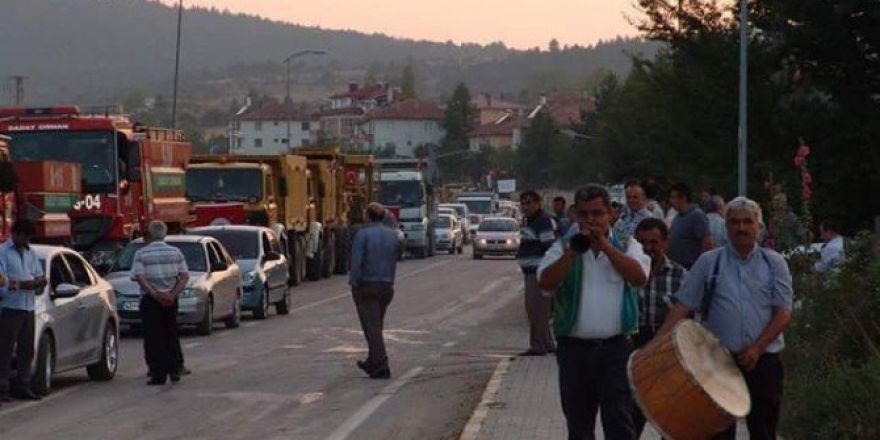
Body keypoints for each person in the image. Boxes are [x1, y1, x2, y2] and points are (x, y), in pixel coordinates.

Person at [650, 196, 793, 440]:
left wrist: (757, 349)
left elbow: (783, 312)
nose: (741, 228)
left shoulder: (774, 263)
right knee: (716, 432)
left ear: (758, 226)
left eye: (748, 222)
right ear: (726, 227)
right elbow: (682, 307)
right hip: (718, 362)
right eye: (734, 222)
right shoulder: (709, 262)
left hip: (763, 361)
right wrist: (655, 347)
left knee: (764, 429)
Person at [538, 185, 650, 440]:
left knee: (620, 424)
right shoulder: (565, 246)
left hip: (615, 351)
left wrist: (607, 248)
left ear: (610, 213)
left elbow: (639, 277)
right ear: (576, 215)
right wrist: (572, 253)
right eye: (585, 214)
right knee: (579, 426)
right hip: (574, 352)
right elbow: (545, 283)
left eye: (597, 213)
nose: (591, 220)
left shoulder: (627, 244)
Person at [630, 217, 687, 438]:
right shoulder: (627, 272)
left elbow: (691, 319)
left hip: (667, 358)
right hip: (634, 356)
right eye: (642, 242)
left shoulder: (681, 276)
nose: (648, 248)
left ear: (665, 242)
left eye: (654, 242)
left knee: (670, 425)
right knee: (629, 424)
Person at [132, 220, 190, 386]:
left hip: (150, 300)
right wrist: (172, 294)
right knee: (171, 332)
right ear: (164, 234)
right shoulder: (175, 252)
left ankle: (158, 373)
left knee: (153, 336)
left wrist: (155, 294)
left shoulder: (141, 254)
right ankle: (174, 370)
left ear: (149, 234)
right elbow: (184, 276)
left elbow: (140, 277)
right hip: (171, 300)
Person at [350, 203, 399, 379]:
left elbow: (357, 262)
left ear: (368, 216)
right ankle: (372, 360)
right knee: (376, 325)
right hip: (387, 286)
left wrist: (354, 283)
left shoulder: (363, 234)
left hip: (367, 286)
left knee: (371, 327)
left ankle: (381, 363)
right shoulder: (392, 235)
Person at [0, 219, 47, 402]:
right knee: (5, 350)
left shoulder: (31, 253)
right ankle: (3, 388)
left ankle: (23, 385)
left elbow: (39, 277)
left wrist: (30, 284)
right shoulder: (3, 252)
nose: (27, 241)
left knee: (26, 350)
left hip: (28, 307)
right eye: (25, 237)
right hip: (10, 307)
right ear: (16, 234)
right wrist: (21, 284)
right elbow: (3, 281)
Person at [516, 190, 557, 356]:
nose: (525, 207)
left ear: (538, 203)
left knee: (536, 310)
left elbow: (549, 247)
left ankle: (538, 345)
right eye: (523, 203)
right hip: (530, 272)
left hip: (538, 272)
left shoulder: (542, 221)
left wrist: (546, 270)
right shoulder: (530, 221)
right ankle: (546, 342)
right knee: (536, 309)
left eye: (529, 203)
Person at [667, 183, 713, 269]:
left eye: (673, 197)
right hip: (677, 267)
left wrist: (700, 267)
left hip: (690, 267)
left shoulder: (697, 215)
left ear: (683, 198)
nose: (670, 201)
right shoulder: (677, 217)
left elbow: (707, 242)